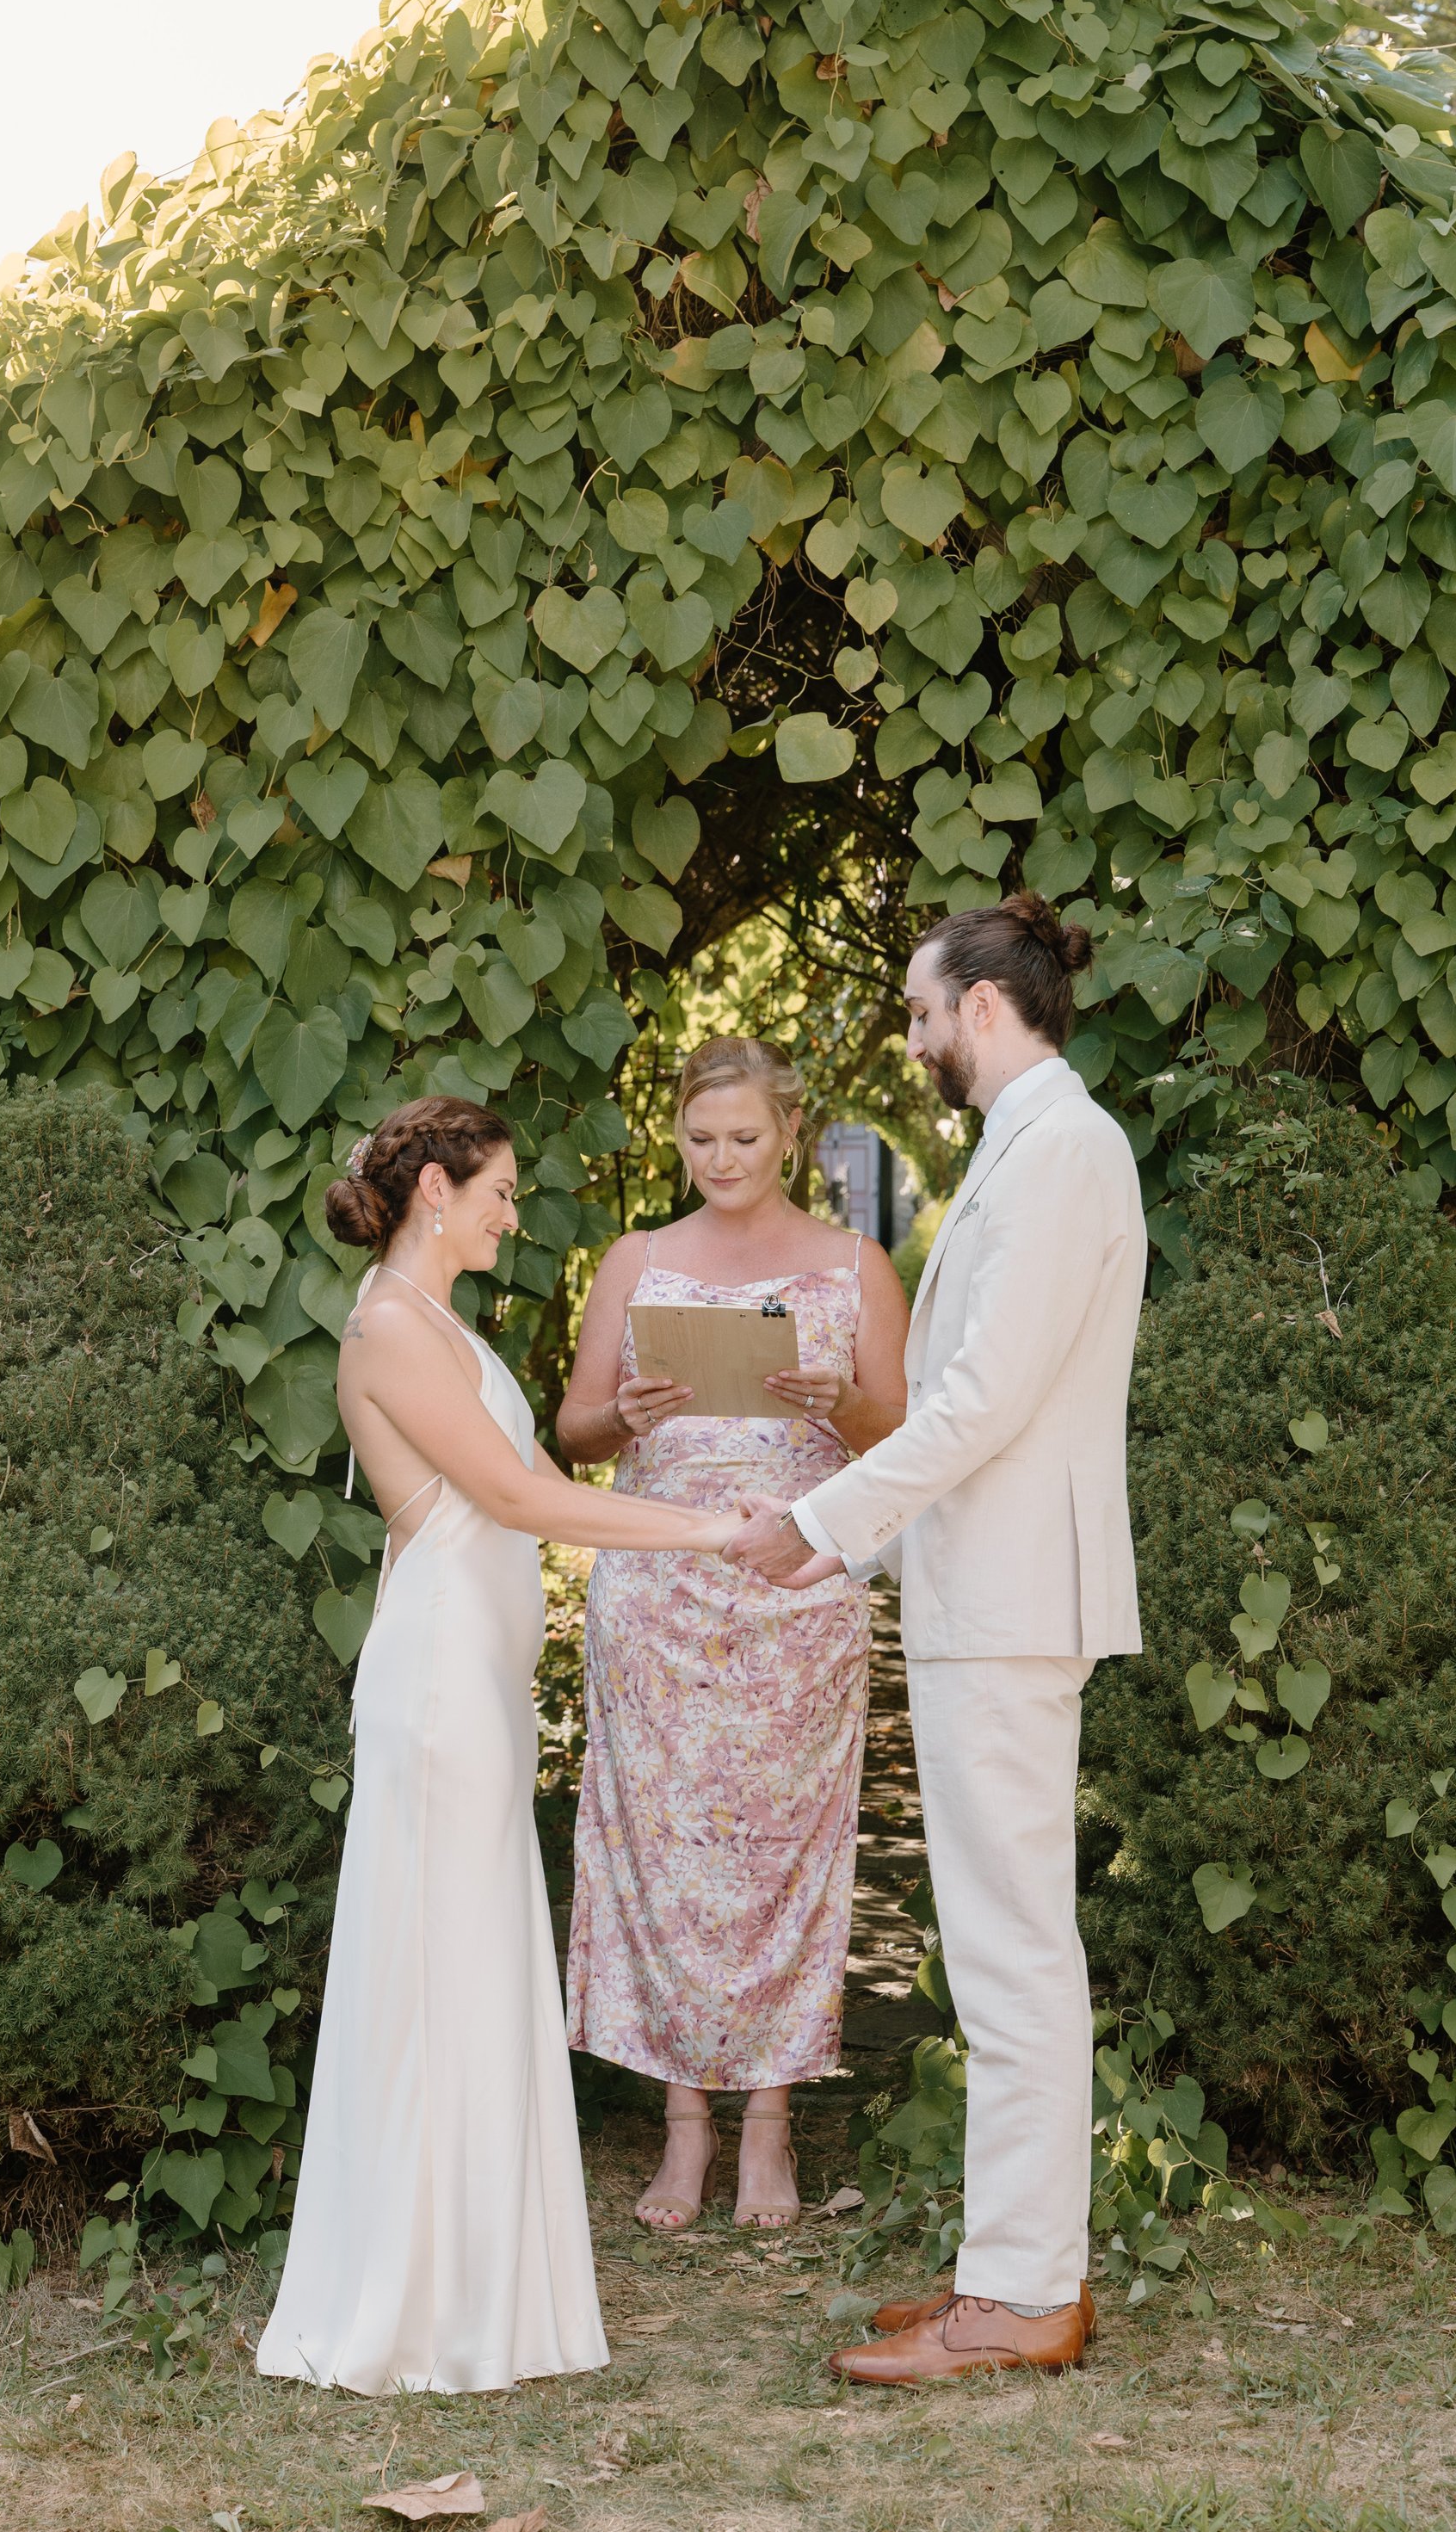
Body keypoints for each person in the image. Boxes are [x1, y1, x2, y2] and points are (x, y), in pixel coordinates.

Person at [255, 1096, 751, 2400]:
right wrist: (711, 1533)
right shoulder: (384, 1326)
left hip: (474, 1673)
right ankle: (420, 2308)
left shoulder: (436, 1322)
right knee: (438, 1969)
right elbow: (520, 1499)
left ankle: (480, 2292)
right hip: (433, 1684)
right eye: (499, 1192)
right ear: (434, 1188)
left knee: (472, 1962)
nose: (511, 1213)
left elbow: (531, 1476)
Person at [726, 896, 1144, 2386]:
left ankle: (1028, 2297)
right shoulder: (1029, 1151)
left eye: (920, 1013)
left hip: (1019, 1604)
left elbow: (977, 1407)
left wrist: (825, 1523)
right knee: (995, 1942)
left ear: (980, 1005)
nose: (913, 1041)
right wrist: (864, 1548)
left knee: (1017, 1949)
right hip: (986, 1592)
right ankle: (1003, 2270)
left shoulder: (1070, 1151)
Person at [555, 1035, 910, 2232]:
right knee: (662, 1853)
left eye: (744, 1138)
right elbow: (575, 1432)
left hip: (798, 1593)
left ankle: (769, 2130)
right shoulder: (636, 1259)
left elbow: (903, 1443)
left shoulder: (855, 1264)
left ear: (791, 1136)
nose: (721, 1158)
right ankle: (683, 2132)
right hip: (658, 1595)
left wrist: (835, 1399)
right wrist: (626, 1410)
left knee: (779, 1859)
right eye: (702, 1138)